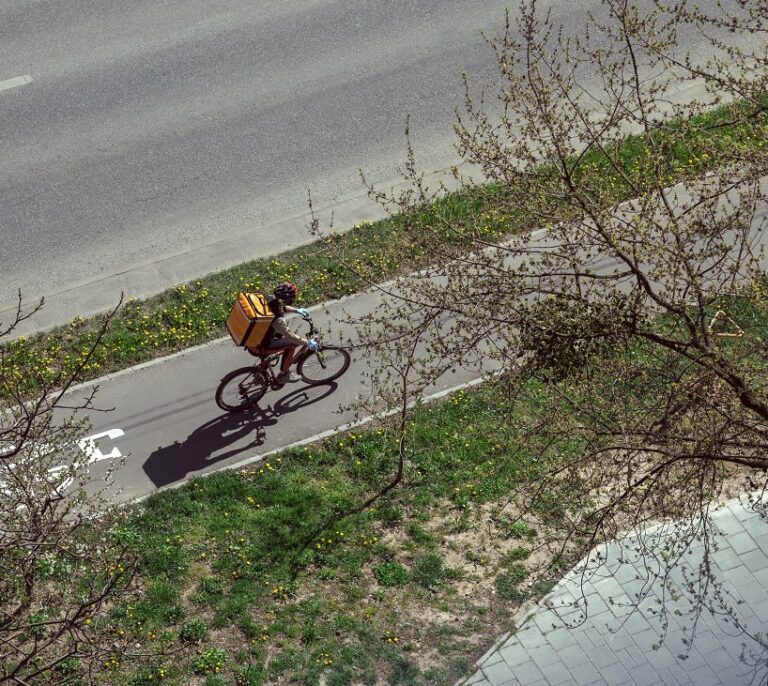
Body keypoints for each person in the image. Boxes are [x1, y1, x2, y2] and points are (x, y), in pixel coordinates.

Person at [254, 282, 317, 384]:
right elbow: (290, 336)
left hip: (252, 340)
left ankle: (260, 373)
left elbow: (281, 307)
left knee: (279, 337)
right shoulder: (278, 320)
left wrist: (297, 310)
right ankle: (284, 374)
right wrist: (307, 342)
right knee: (292, 344)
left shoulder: (269, 298)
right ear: (288, 299)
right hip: (261, 346)